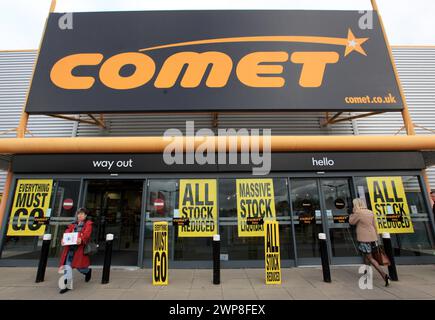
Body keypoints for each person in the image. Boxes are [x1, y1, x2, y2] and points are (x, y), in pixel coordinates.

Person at [349, 198, 390, 286]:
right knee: (366, 256)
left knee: (370, 258)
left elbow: (351, 222)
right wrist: (377, 238)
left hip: (364, 239)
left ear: (356, 204)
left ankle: (384, 275)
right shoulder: (370, 212)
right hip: (373, 238)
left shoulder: (358, 213)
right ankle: (366, 273)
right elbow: (375, 226)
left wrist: (351, 214)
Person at [58, 207, 93, 294]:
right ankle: (67, 285)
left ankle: (87, 271)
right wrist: (63, 239)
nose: (80, 216)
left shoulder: (88, 224)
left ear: (85, 216)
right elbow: (67, 233)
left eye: (82, 214)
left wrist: (81, 239)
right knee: (68, 266)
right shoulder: (73, 224)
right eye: (79, 214)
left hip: (79, 250)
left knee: (79, 267)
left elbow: (87, 234)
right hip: (70, 249)